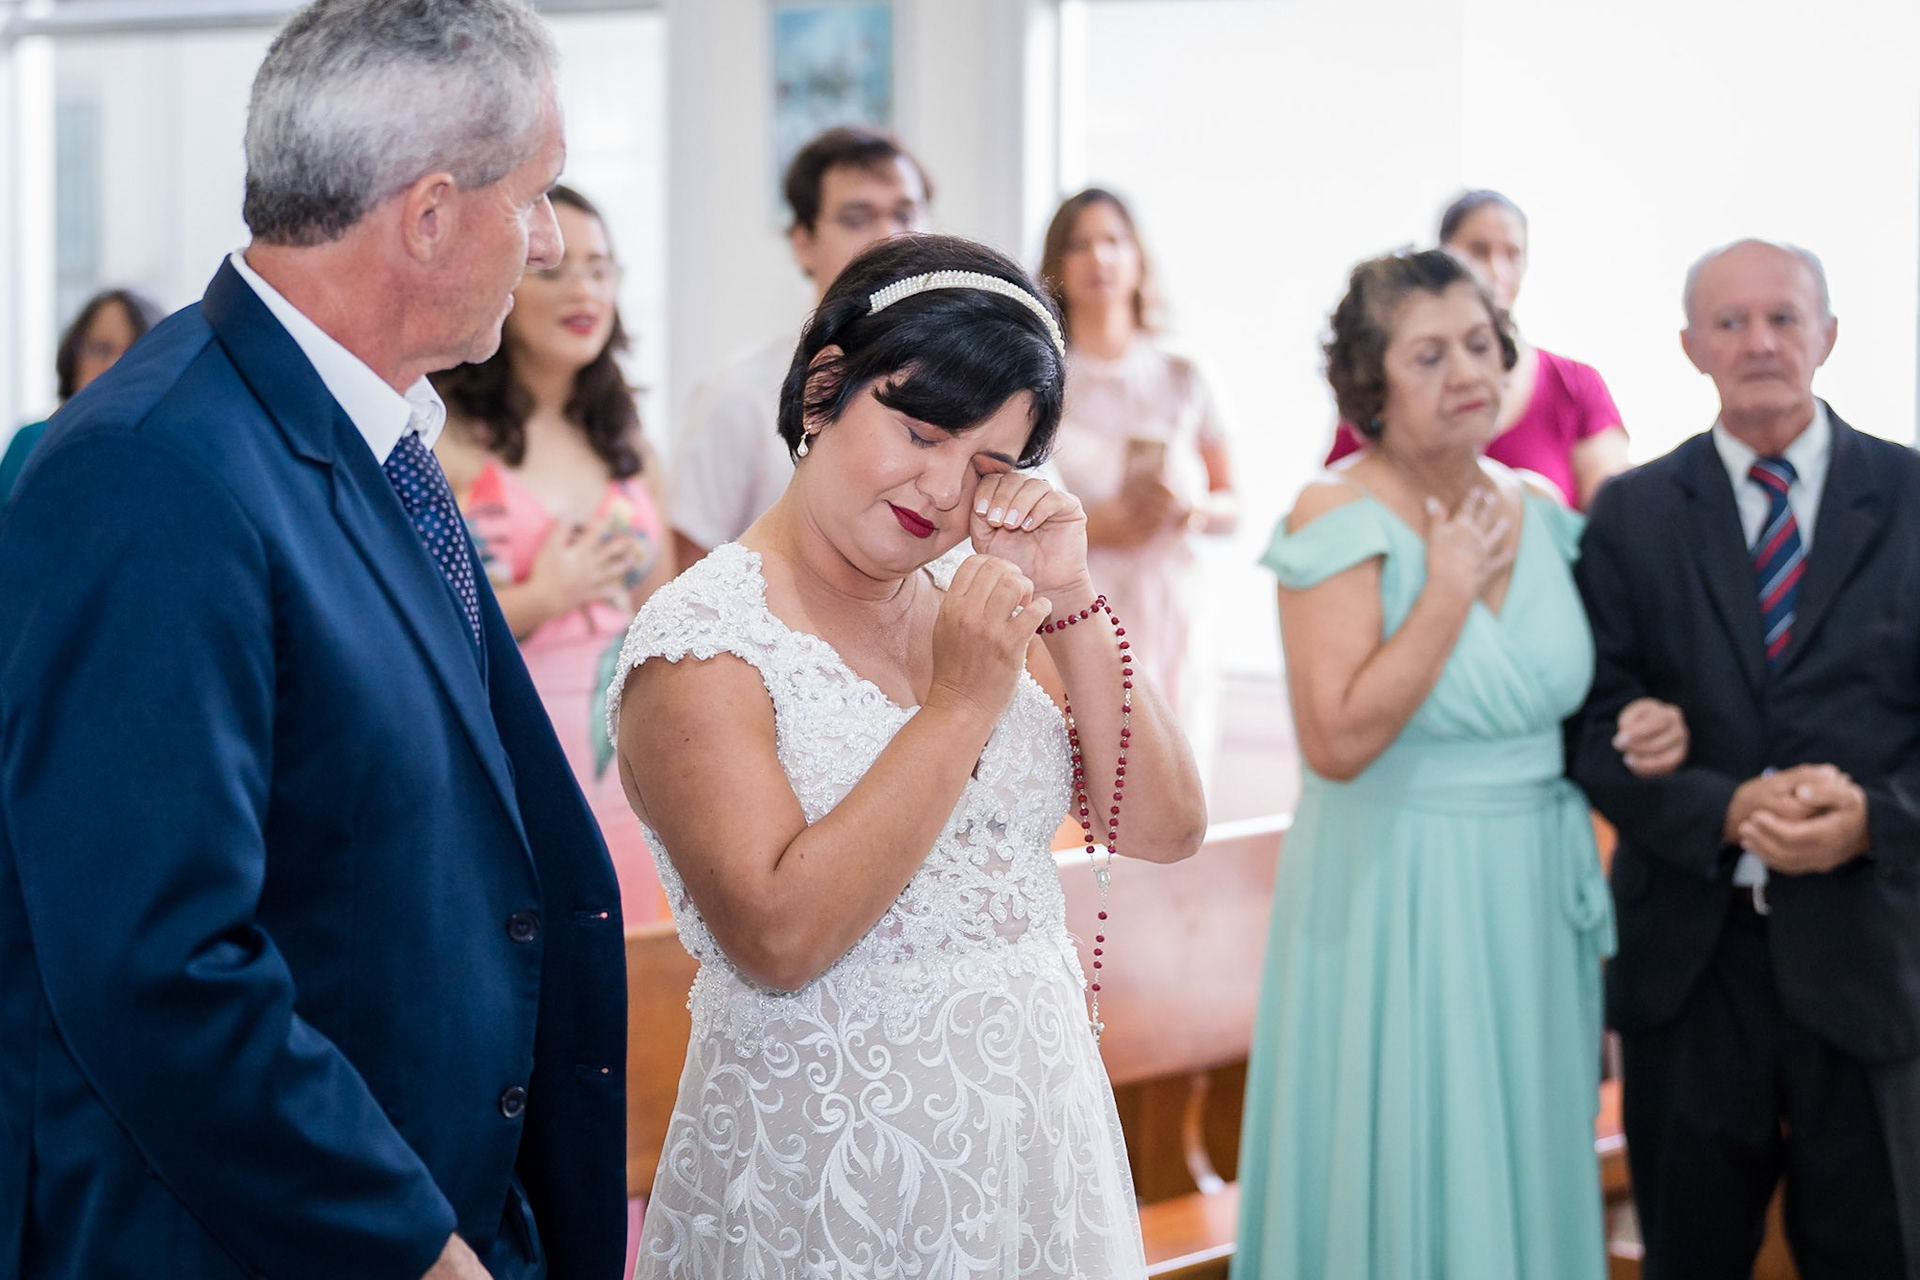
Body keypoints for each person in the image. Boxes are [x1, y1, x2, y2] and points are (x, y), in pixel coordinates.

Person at [0, 2, 627, 1277]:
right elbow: (159, 964)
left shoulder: (376, 429)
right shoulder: (151, 471)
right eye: (534, 195)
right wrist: (412, 1245)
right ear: (431, 214)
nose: (552, 240)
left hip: (446, 1194)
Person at [612, 233, 1209, 1278]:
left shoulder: (976, 606)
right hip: (832, 1169)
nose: (939, 489)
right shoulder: (702, 641)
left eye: (987, 467)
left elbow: (1163, 824)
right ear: (825, 390)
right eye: (919, 431)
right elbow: (780, 937)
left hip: (1030, 1144)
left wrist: (1070, 594)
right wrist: (960, 705)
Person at [1234, 248, 1682, 1280]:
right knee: (1405, 1150)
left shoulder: (1547, 511)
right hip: (1396, 887)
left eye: (1480, 344)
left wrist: (1643, 723)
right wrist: (1445, 592)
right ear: (1370, 381)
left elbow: (1579, 705)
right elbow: (1336, 742)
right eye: (1428, 355)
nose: (1468, 372)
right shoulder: (1333, 512)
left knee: (1519, 1142)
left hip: (1530, 892)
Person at [1569, 239, 1920, 1279]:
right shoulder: (1631, 514)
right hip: (1691, 964)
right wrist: (1722, 808)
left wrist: (1875, 819)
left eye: (1782, 317)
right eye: (1731, 322)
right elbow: (1588, 725)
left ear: (1828, 335)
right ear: (1692, 346)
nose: (1759, 341)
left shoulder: (1912, 495)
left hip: (1872, 955)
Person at [433, 183, 673, 921]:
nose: (584, 290)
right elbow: (418, 639)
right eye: (556, 269)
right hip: (505, 772)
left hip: (630, 779)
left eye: (600, 269)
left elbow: (666, 625)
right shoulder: (443, 439)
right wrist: (545, 596)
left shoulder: (629, 443)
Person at [1037, 188, 1237, 776]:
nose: (1099, 257)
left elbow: (1233, 501)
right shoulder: (1043, 381)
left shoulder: (1184, 373)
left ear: (1138, 256)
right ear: (1058, 263)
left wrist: (1190, 512)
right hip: (1080, 600)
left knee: (1173, 769)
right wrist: (1098, 528)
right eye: (1080, 244)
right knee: (1088, 772)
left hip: (1169, 600)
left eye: (1113, 241)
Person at [667, 125, 932, 570]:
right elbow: (687, 575)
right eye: (857, 219)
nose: (890, 237)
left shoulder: (969, 384)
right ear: (804, 243)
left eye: (905, 214)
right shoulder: (738, 395)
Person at [1325, 190, 1629, 509]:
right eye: (1478, 251)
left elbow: (1613, 514)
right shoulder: (1339, 491)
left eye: (1480, 346)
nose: (1497, 271)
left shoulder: (1539, 498)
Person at [0, 286, 165, 502]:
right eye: (101, 349)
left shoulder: (166, 457)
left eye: (134, 352)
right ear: (73, 356)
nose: (114, 365)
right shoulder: (30, 442)